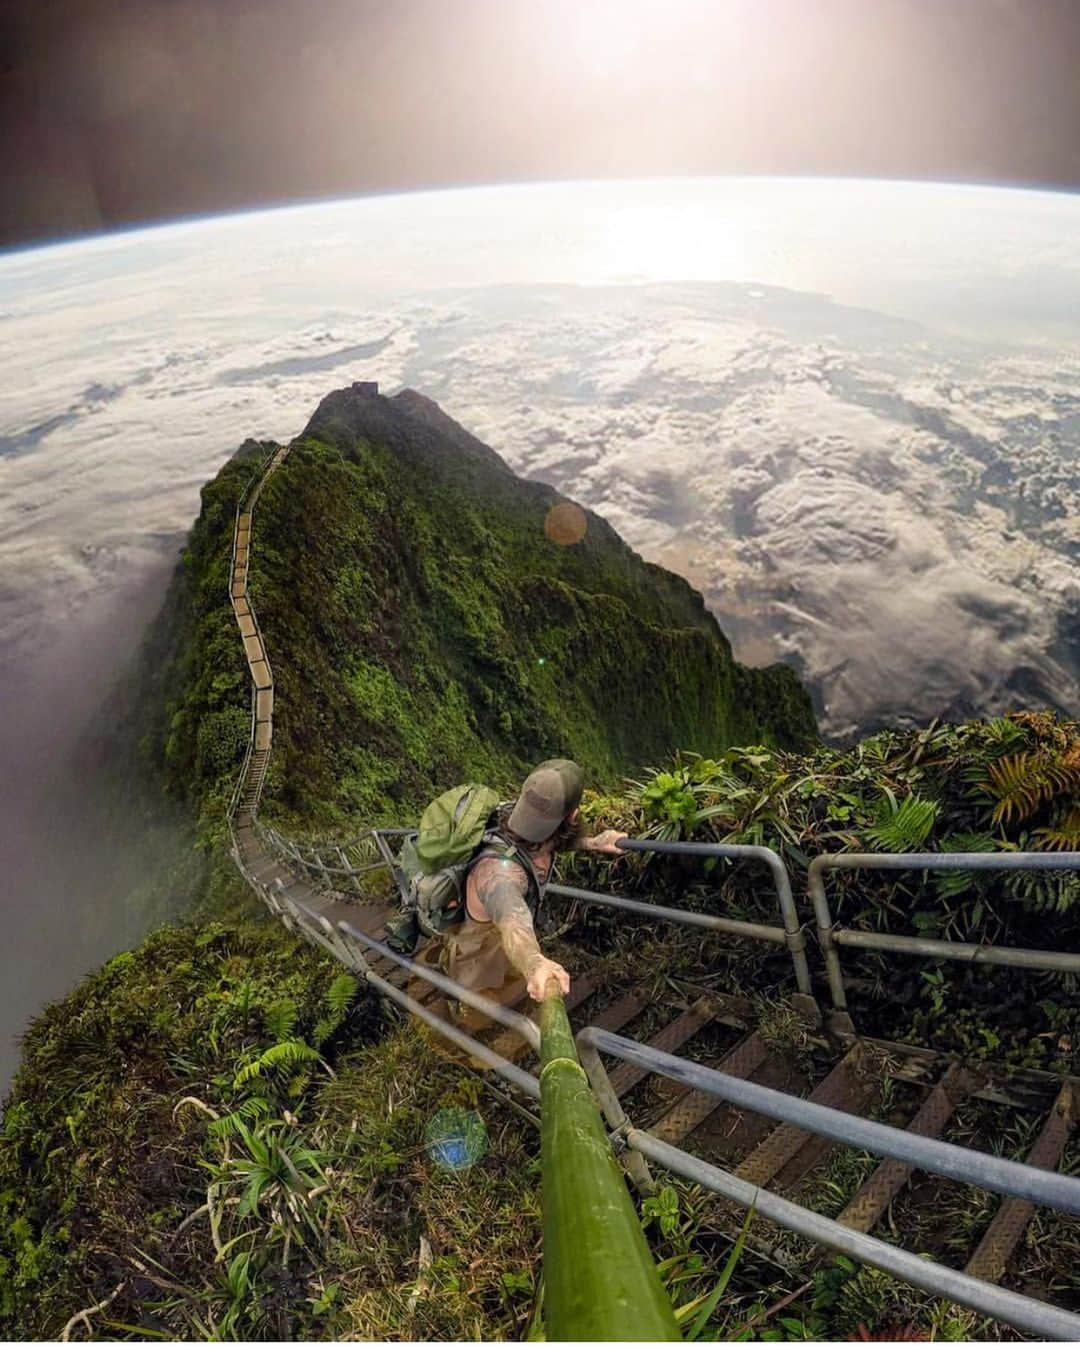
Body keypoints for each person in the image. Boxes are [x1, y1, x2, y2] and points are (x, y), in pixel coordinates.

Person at [411, 759, 627, 1037]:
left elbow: (554, 842)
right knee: (476, 1021)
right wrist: (535, 963)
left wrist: (593, 843)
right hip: (478, 966)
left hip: (492, 954)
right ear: (573, 816)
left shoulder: (521, 824)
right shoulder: (500, 875)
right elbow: (512, 919)